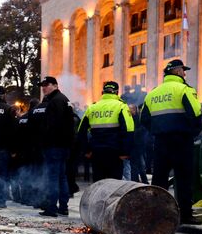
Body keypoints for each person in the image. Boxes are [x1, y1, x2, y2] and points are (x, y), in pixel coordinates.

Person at [141, 59, 202, 225]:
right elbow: (196, 114)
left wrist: (157, 131)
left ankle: (156, 213)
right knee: (183, 178)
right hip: (182, 141)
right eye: (183, 70)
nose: (184, 73)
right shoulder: (184, 89)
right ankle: (184, 215)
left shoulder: (153, 93)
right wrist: (193, 133)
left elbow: (144, 119)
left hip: (160, 142)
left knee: (159, 179)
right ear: (176, 71)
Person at [77, 81, 134, 182]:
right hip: (115, 153)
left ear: (103, 92)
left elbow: (81, 131)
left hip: (96, 152)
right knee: (114, 185)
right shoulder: (121, 106)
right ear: (116, 92)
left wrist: (86, 150)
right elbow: (128, 130)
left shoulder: (92, 107)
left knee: (98, 184)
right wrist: (125, 152)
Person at [36, 76, 74, 217]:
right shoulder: (64, 100)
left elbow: (51, 126)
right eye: (43, 85)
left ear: (55, 85)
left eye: (46, 85)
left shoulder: (55, 102)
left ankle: (51, 207)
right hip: (63, 145)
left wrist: (44, 142)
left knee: (53, 177)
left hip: (54, 145)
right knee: (61, 176)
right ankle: (63, 206)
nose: (43, 88)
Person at [129, 105, 149, 184]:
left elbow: (142, 130)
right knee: (136, 165)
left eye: (130, 109)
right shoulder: (133, 118)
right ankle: (138, 181)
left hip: (138, 145)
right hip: (135, 145)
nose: (129, 111)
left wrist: (132, 133)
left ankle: (140, 182)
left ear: (134, 110)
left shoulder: (138, 119)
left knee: (139, 165)